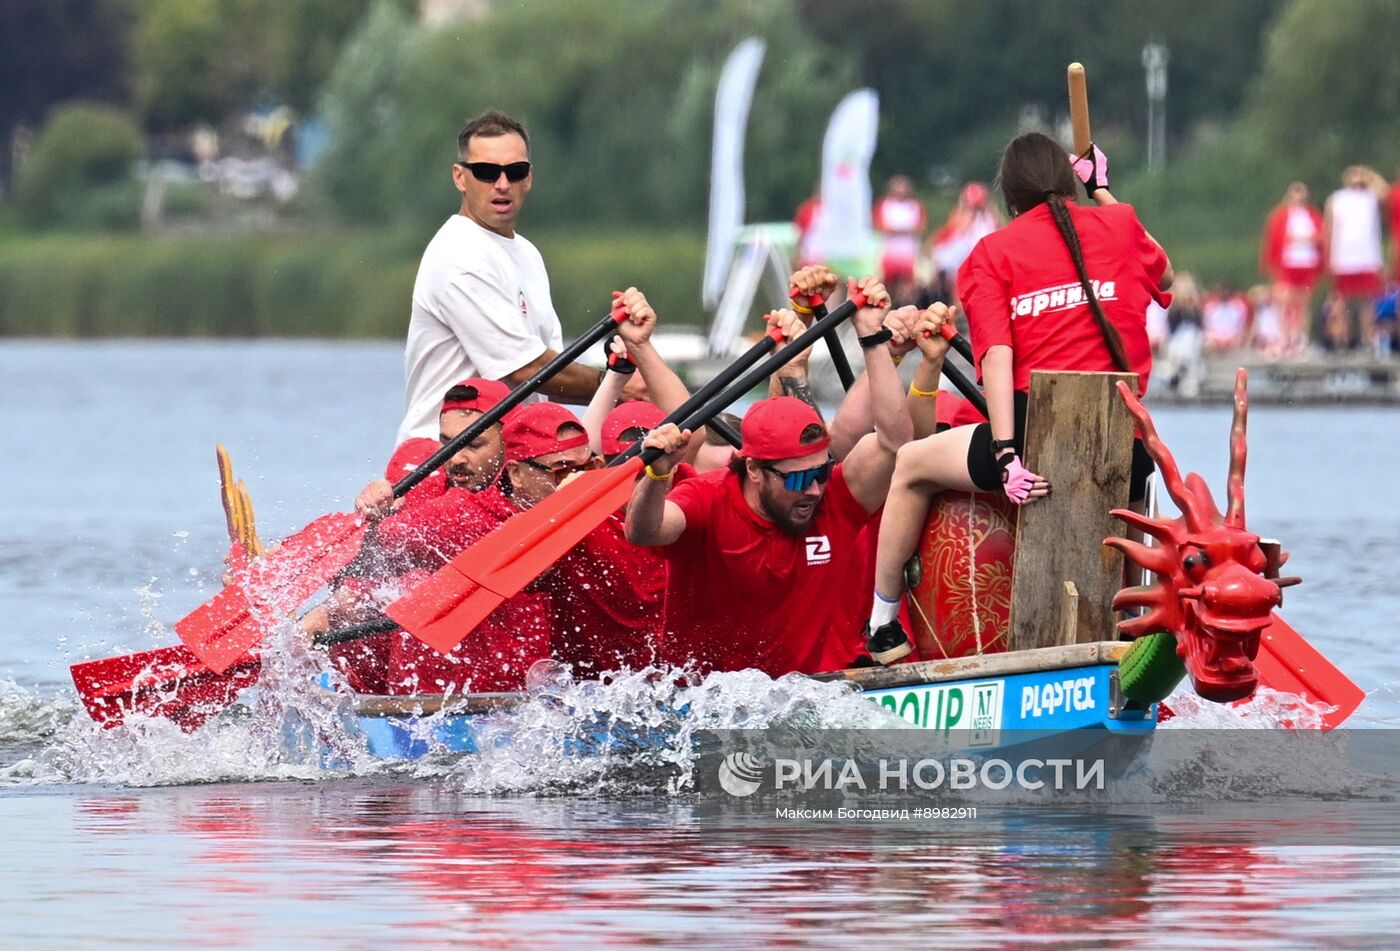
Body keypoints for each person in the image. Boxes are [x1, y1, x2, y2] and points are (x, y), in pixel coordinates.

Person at [865, 133, 1173, 661]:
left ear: (1008, 199)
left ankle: (882, 624)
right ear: (1068, 183)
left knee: (911, 464)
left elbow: (997, 358)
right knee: (1137, 482)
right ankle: (1131, 621)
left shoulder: (991, 253)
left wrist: (1007, 455)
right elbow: (1163, 273)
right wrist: (1102, 190)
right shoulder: (1121, 223)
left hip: (1036, 432)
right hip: (1128, 438)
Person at [624, 277, 917, 678]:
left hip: (810, 695)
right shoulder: (707, 499)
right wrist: (658, 474)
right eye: (798, 480)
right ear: (754, 471)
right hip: (707, 703)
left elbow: (894, 442)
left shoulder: (835, 498)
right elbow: (644, 532)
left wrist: (872, 337)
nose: (814, 490)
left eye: (820, 472)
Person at [397, 109, 635, 442]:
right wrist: (621, 387)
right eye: (486, 172)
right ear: (459, 177)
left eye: (515, 171)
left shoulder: (527, 254)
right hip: (440, 458)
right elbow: (529, 371)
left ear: (529, 178)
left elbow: (552, 374)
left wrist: (624, 380)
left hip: (508, 460)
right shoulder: (459, 254)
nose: (502, 184)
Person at [1324, 165, 1387, 351]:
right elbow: (1330, 227)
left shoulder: (1370, 198)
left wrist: (1369, 175)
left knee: (1369, 301)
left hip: (1367, 257)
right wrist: (1329, 257)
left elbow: (1385, 192)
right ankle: (1341, 338)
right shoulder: (1337, 199)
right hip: (1344, 258)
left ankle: (1369, 340)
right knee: (1341, 301)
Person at [1260, 181, 1324, 354]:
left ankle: (1300, 337)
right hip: (1288, 264)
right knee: (1284, 301)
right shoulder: (1280, 216)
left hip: (1307, 263)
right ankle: (1283, 337)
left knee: (1303, 303)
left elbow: (1320, 237)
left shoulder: (1313, 216)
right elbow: (1276, 240)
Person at [927, 181, 1003, 305]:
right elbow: (944, 240)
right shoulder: (961, 217)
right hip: (962, 263)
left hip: (980, 263)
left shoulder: (990, 217)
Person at [873, 175, 927, 303]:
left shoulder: (914, 206)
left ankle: (904, 305)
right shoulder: (884, 205)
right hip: (889, 251)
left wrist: (897, 230)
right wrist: (904, 230)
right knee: (886, 284)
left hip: (908, 252)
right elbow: (880, 226)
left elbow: (920, 227)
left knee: (907, 284)